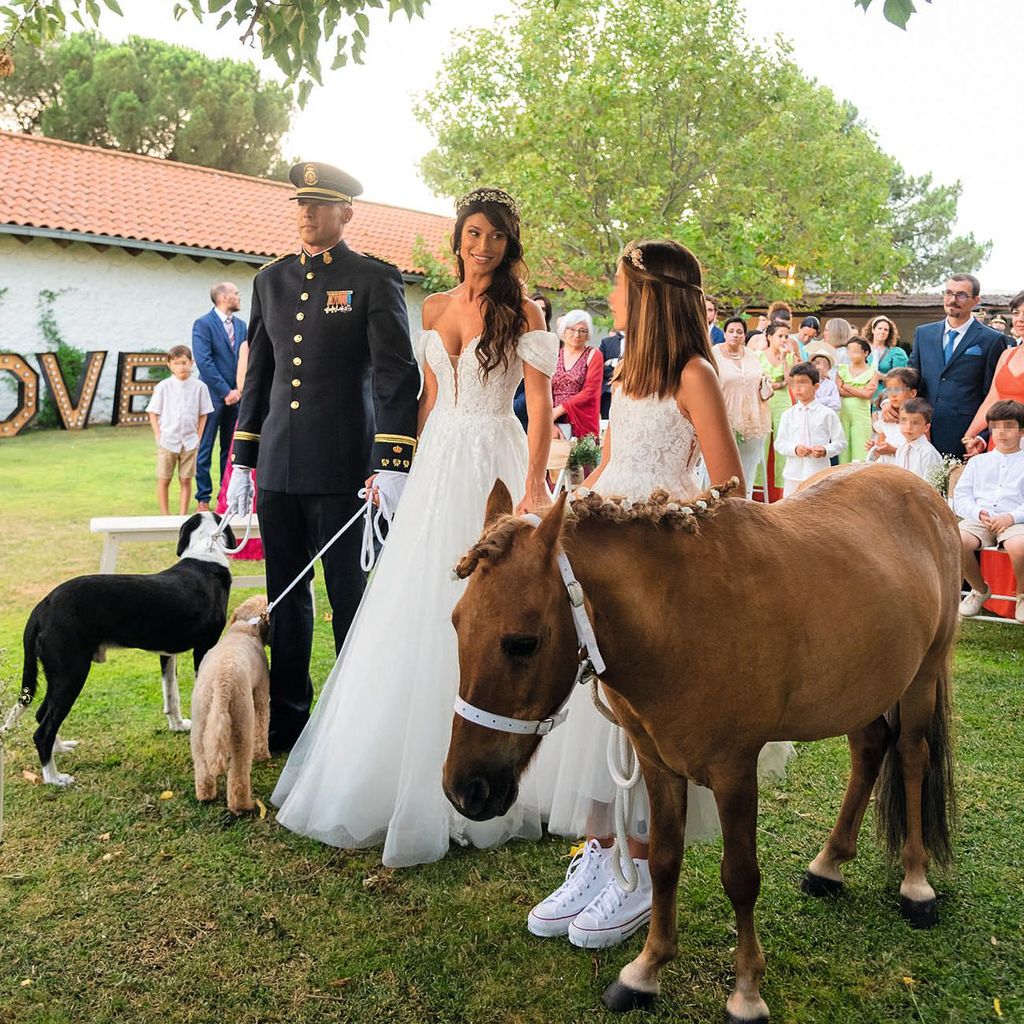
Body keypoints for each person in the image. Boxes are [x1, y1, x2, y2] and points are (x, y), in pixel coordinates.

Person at [271, 186, 558, 867]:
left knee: (488, 603)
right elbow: (426, 400)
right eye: (471, 233)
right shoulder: (432, 307)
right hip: (437, 462)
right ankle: (397, 760)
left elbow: (541, 407)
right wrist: (394, 468)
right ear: (457, 239)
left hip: (495, 456)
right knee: (417, 599)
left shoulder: (525, 310)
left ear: (506, 244)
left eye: (492, 235)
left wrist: (535, 481)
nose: (480, 245)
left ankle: (489, 757)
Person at [528, 238, 793, 949]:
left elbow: (728, 487)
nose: (609, 297)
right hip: (603, 549)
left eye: (617, 285)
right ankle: (598, 853)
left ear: (650, 295)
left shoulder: (693, 373)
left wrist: (661, 521)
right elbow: (611, 460)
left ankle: (641, 871)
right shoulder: (625, 373)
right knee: (593, 717)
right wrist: (566, 506)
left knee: (644, 719)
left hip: (657, 562)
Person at [225, 162, 421, 753]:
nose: (307, 213)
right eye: (301, 204)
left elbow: (394, 376)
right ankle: (288, 722)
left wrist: (391, 462)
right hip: (280, 468)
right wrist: (242, 456)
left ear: (347, 213)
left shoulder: (373, 279)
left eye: (321, 204)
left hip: (345, 469)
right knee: (286, 599)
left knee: (351, 599)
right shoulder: (270, 281)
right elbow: (259, 373)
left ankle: (355, 725)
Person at [907, 273, 1007, 457]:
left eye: (961, 295)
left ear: (975, 300)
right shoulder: (923, 333)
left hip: (964, 436)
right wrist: (890, 401)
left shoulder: (992, 340)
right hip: (921, 433)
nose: (952, 300)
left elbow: (993, 394)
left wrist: (982, 436)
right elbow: (911, 379)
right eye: (948, 293)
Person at [954, 399, 1024, 624]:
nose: (1002, 432)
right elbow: (961, 497)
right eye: (997, 426)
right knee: (956, 540)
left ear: (1021, 430)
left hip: (1015, 520)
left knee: (1019, 547)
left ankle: (1022, 596)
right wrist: (978, 513)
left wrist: (1010, 517)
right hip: (980, 519)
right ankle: (979, 589)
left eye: (1009, 426)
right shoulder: (978, 463)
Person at [192, 282, 245, 512]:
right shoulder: (203, 324)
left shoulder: (243, 326)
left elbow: (246, 359)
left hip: (238, 397)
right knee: (205, 447)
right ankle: (203, 498)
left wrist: (239, 391)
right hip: (212, 397)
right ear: (223, 297)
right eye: (236, 293)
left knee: (230, 448)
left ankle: (226, 496)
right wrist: (226, 391)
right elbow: (204, 361)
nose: (239, 297)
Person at [147, 345, 213, 515]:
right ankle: (165, 515)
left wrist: (198, 436)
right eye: (176, 363)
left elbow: (203, 413)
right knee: (164, 478)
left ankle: (182, 515)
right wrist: (158, 435)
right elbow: (153, 412)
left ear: (192, 362)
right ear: (169, 364)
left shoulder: (199, 387)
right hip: (168, 440)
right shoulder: (164, 386)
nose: (181, 367)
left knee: (185, 479)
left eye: (184, 362)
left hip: (189, 441)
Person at [713, 315, 771, 498]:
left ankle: (745, 502)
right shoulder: (714, 354)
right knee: (720, 471)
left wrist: (765, 383)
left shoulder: (752, 355)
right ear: (724, 333)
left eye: (739, 332)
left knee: (747, 468)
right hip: (725, 418)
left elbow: (760, 376)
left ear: (745, 335)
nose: (735, 335)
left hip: (753, 419)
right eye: (731, 331)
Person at [962, 290, 1024, 456]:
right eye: (1016, 313)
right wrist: (970, 435)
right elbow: (992, 400)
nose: (1020, 319)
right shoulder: (1007, 355)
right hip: (999, 440)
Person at [772, 361, 846, 497]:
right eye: (794, 383)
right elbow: (780, 444)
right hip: (793, 474)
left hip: (819, 474)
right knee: (790, 511)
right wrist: (795, 449)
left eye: (803, 383)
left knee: (817, 511)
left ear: (816, 386)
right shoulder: (788, 415)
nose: (797, 388)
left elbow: (840, 443)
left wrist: (825, 450)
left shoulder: (827, 414)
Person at [756, 322, 796, 495]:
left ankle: (782, 489)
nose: (783, 339)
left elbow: (791, 380)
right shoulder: (758, 356)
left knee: (783, 441)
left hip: (782, 402)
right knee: (761, 443)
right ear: (769, 337)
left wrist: (785, 359)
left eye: (786, 336)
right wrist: (778, 384)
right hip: (763, 401)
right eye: (780, 336)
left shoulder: (789, 356)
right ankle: (757, 487)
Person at [551, 310, 603, 440]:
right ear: (564, 330)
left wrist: (559, 410)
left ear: (588, 334)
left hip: (582, 420)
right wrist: (549, 421)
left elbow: (590, 391)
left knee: (581, 459)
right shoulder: (554, 355)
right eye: (572, 329)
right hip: (553, 422)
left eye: (582, 330)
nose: (577, 335)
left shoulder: (593, 355)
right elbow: (544, 389)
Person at [869, 397, 943, 484]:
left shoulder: (927, 453)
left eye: (915, 423)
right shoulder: (902, 449)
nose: (908, 427)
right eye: (903, 421)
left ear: (926, 427)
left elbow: (931, 485)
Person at [513, 292, 553, 428]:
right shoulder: (514, 334)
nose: (539, 311)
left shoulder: (551, 340)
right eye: (536, 306)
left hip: (529, 402)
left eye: (543, 309)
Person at [837, 336, 878, 464]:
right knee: (843, 449)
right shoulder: (842, 369)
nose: (851, 354)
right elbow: (838, 390)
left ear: (865, 353)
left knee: (861, 451)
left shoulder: (872, 372)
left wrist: (847, 386)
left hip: (861, 415)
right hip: (843, 413)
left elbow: (868, 395)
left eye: (855, 351)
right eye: (849, 350)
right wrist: (859, 391)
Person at [867, 367, 920, 461]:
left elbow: (922, 453)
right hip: (887, 467)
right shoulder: (884, 419)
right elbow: (881, 446)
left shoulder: (918, 419)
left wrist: (893, 451)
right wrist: (875, 448)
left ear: (912, 393)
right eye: (889, 390)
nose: (893, 394)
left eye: (897, 389)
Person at [864, 315, 907, 405]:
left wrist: (881, 377)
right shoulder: (863, 350)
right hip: (863, 394)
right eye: (880, 328)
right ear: (873, 330)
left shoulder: (896, 353)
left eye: (886, 330)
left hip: (884, 396)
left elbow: (901, 378)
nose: (882, 332)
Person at [598, 327, 624, 420]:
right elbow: (599, 368)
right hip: (608, 393)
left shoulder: (642, 341)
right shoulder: (606, 342)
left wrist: (613, 362)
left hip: (634, 392)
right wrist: (619, 368)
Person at [809, 348, 840, 413]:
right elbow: (808, 402)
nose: (820, 368)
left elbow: (837, 405)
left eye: (824, 365)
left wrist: (818, 402)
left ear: (828, 368)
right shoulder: (809, 382)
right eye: (817, 364)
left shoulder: (831, 384)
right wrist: (828, 399)